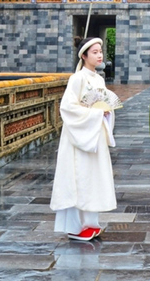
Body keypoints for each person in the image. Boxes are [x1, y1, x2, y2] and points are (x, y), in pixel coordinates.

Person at [50, 37, 117, 241]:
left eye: (100, 51)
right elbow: (68, 108)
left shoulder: (98, 79)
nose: (99, 55)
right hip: (78, 137)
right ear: (84, 56)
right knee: (77, 178)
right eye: (95, 52)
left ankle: (90, 223)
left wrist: (105, 113)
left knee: (92, 179)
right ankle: (75, 226)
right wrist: (96, 114)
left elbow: (105, 105)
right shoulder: (77, 78)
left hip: (94, 134)